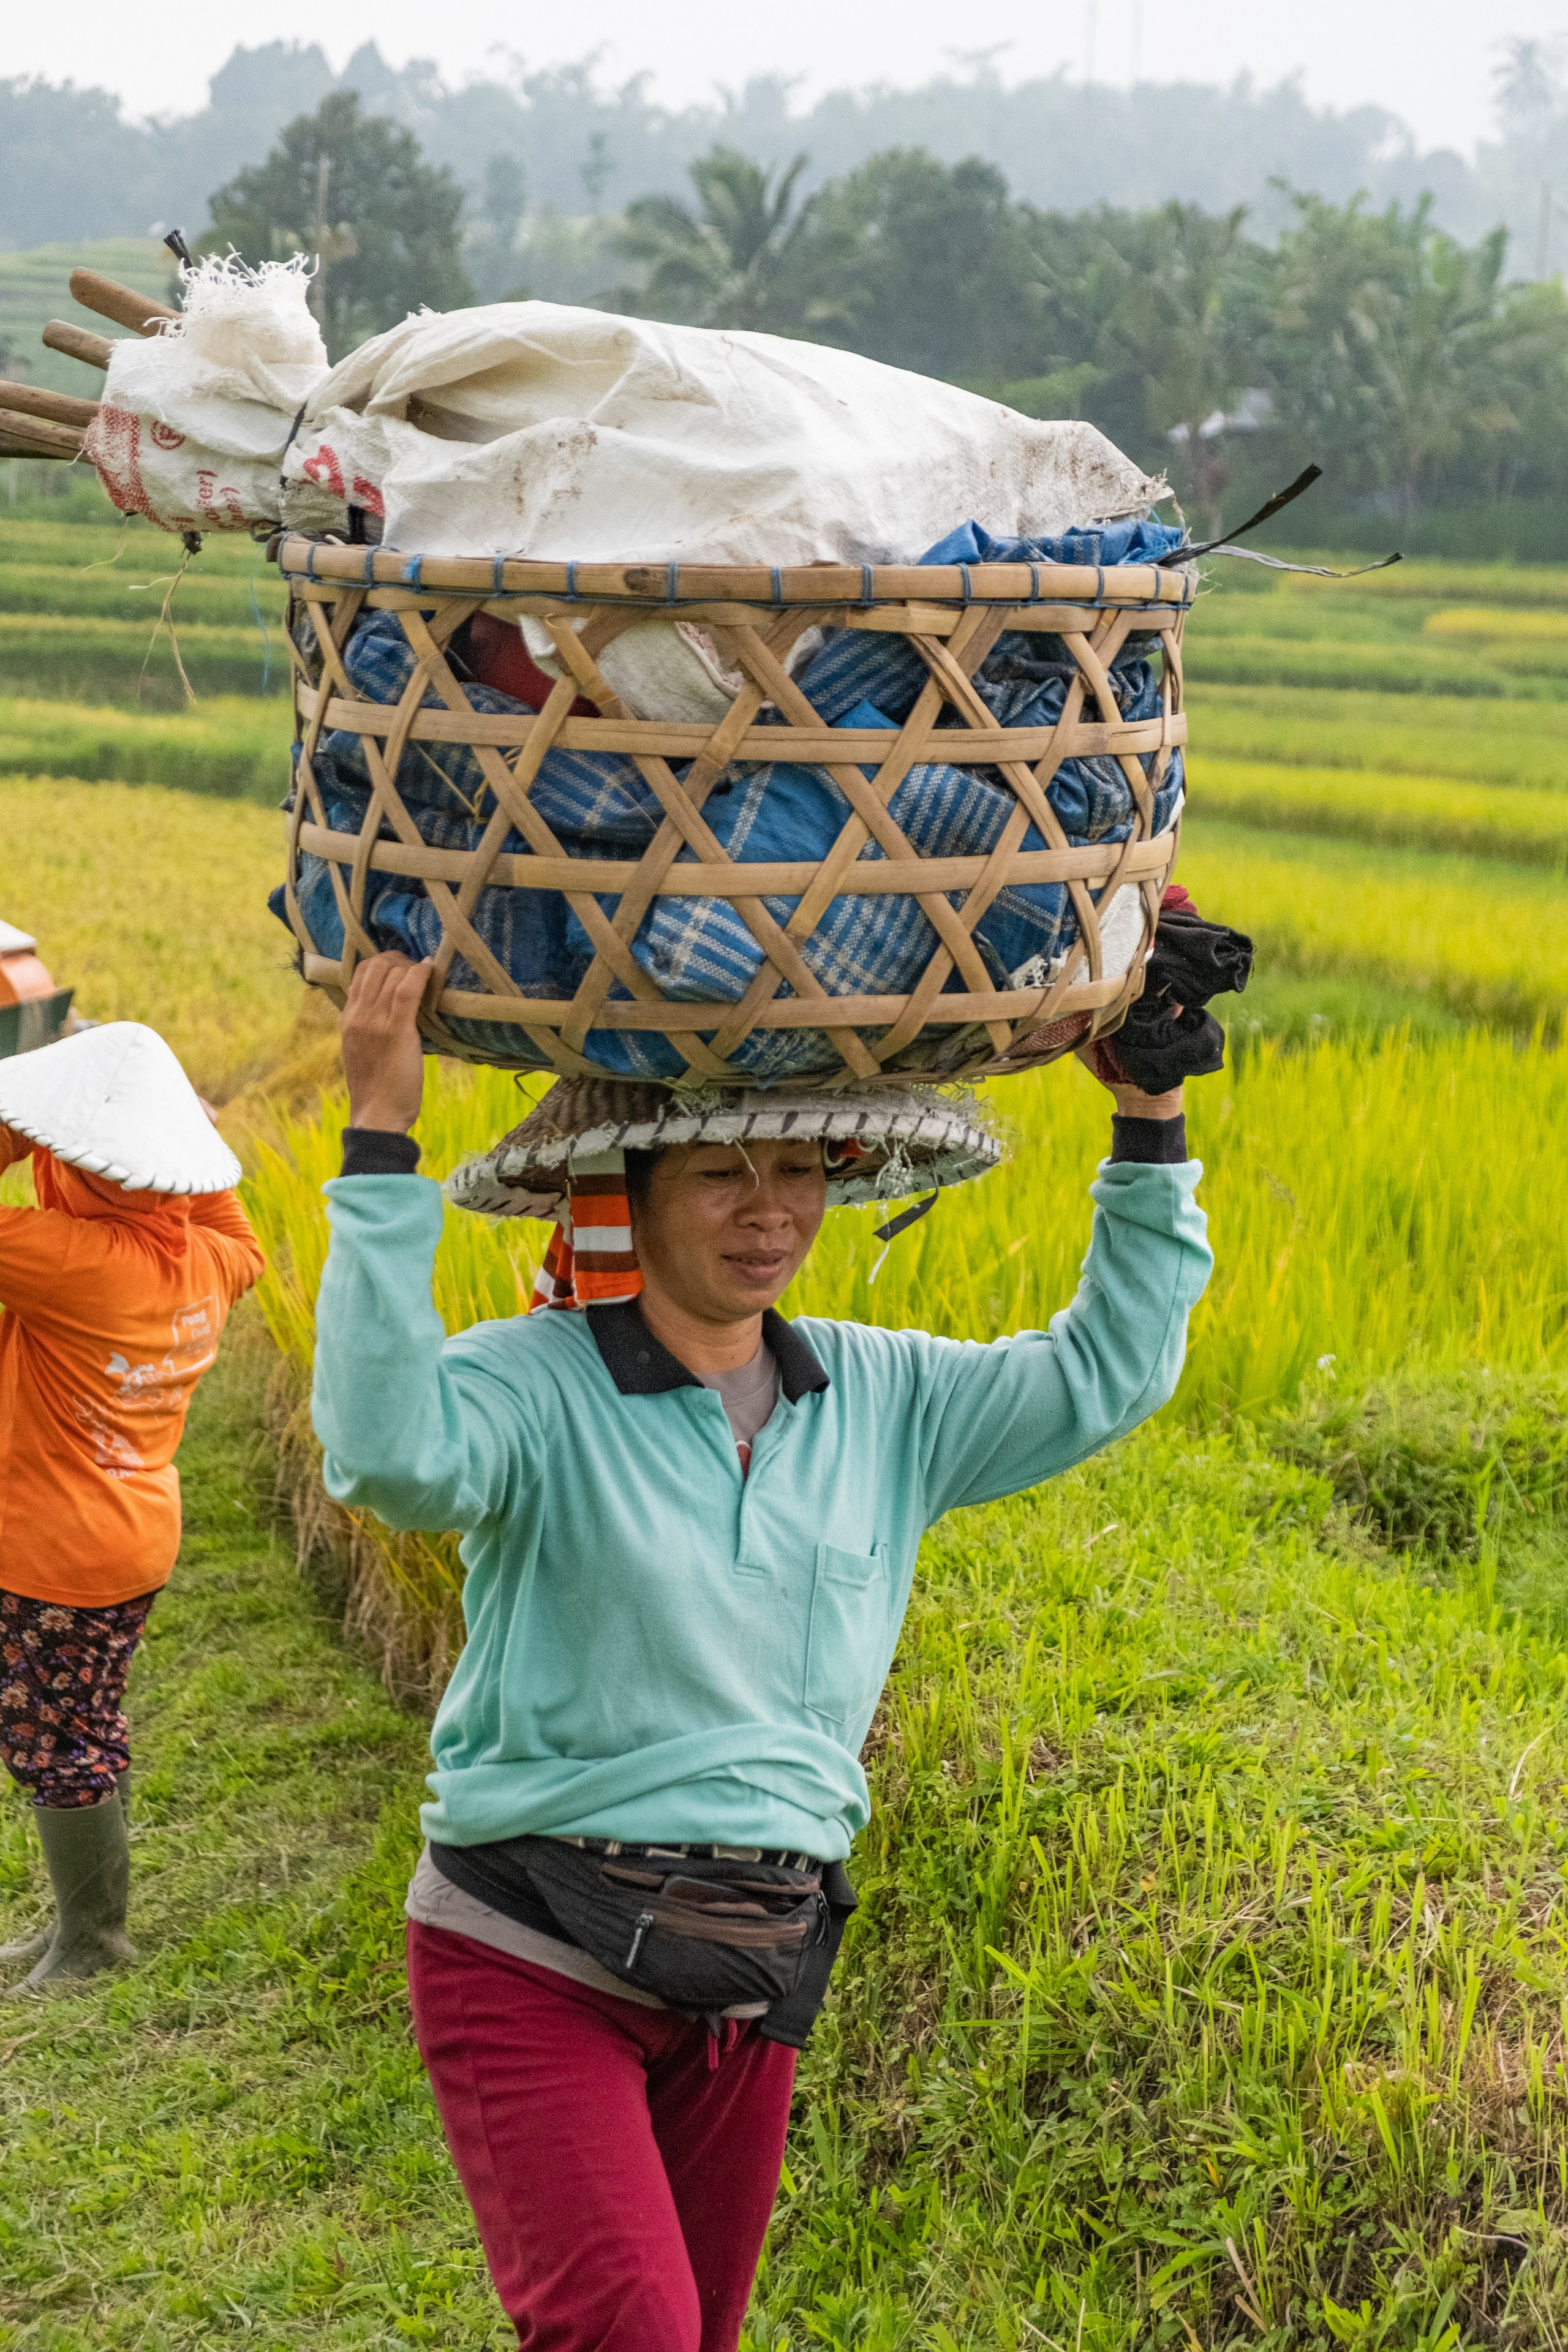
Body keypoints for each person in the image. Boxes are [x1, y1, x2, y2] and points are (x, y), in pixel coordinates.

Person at [312, 951, 1214, 2352]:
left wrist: (1149, 1128)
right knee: (630, 2333)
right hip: (531, 1943)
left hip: (753, 1957)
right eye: (720, 1170)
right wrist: (379, 1149)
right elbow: (384, 1452)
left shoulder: (884, 1394)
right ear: (628, 1189)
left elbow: (1105, 1372)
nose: (768, 1210)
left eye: (796, 1166)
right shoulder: (531, 1385)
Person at [0, 1023, 264, 1991]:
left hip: (54, 1551)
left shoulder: (74, 1259)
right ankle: (74, 1925)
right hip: (132, 1534)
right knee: (82, 1723)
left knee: (55, 1740)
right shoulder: (205, 1258)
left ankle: (92, 1943)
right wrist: (166, 1133)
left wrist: (22, 1126)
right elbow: (234, 1221)